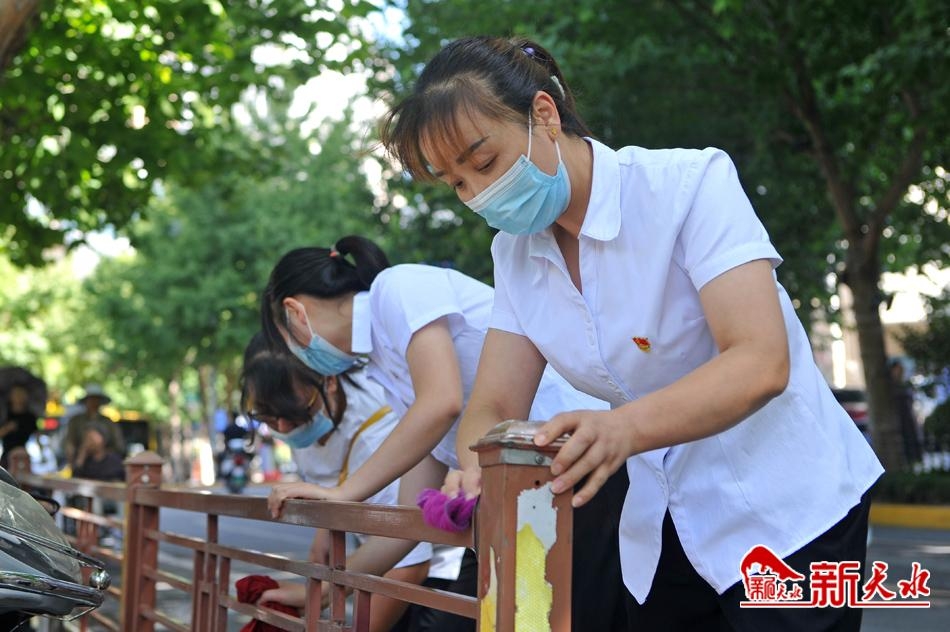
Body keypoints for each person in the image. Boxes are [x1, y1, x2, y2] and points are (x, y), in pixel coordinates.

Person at [379, 35, 885, 631]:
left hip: (786, 512)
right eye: (457, 183)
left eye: (484, 163)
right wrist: (475, 465)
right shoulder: (516, 255)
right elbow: (492, 404)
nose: (479, 192)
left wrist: (621, 428)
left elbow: (760, 361)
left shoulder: (688, 185)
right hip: (663, 522)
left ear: (544, 114)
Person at [260, 236, 629, 630]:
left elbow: (441, 403)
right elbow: (407, 523)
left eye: (286, 341)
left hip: (576, 467)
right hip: (526, 490)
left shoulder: (397, 288)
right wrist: (321, 590)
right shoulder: (386, 367)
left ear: (295, 312)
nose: (301, 356)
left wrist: (344, 492)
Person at [240, 335, 453, 632]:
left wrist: (323, 598)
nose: (284, 428)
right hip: (378, 563)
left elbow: (408, 563)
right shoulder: (312, 415)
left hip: (435, 576)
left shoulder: (379, 434)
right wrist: (325, 538)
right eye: (268, 417)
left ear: (328, 381)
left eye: (295, 415)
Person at [63, 384, 124, 469]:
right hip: (83, 463)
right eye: (91, 399)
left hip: (104, 463)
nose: (94, 403)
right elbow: (69, 442)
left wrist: (102, 453)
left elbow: (119, 446)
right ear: (86, 401)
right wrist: (74, 453)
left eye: (96, 400)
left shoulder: (108, 423)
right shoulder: (76, 421)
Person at [889, 359, 923, 467]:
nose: (900, 372)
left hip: (908, 418)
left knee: (911, 441)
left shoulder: (906, 384)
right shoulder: (890, 386)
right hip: (898, 419)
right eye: (897, 369)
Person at [0, 384, 38, 470]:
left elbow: (36, 436)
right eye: (16, 394)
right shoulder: (4, 414)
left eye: (22, 393)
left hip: (24, 455)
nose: (19, 397)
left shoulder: (30, 417)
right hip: (6, 457)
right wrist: (7, 428)